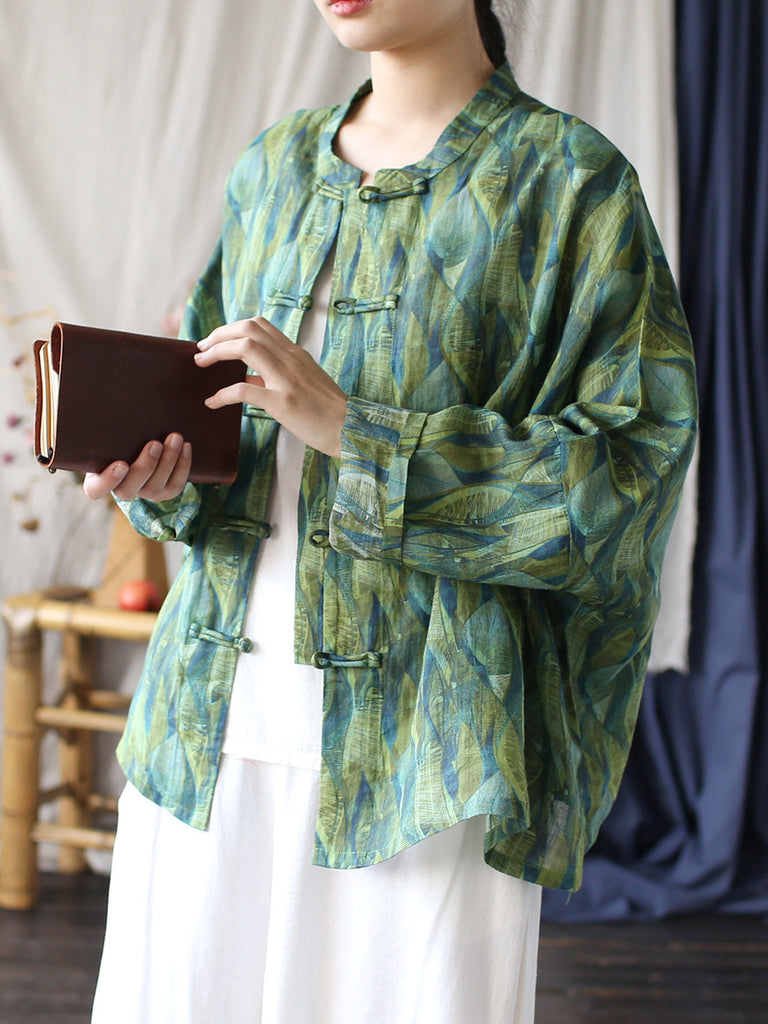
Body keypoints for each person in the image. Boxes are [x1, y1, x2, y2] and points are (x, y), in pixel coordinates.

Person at [86, 1, 698, 1021]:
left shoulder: (570, 180)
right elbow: (219, 424)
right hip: (208, 729)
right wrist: (164, 480)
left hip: (430, 755)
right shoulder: (274, 167)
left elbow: (622, 481)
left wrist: (356, 430)